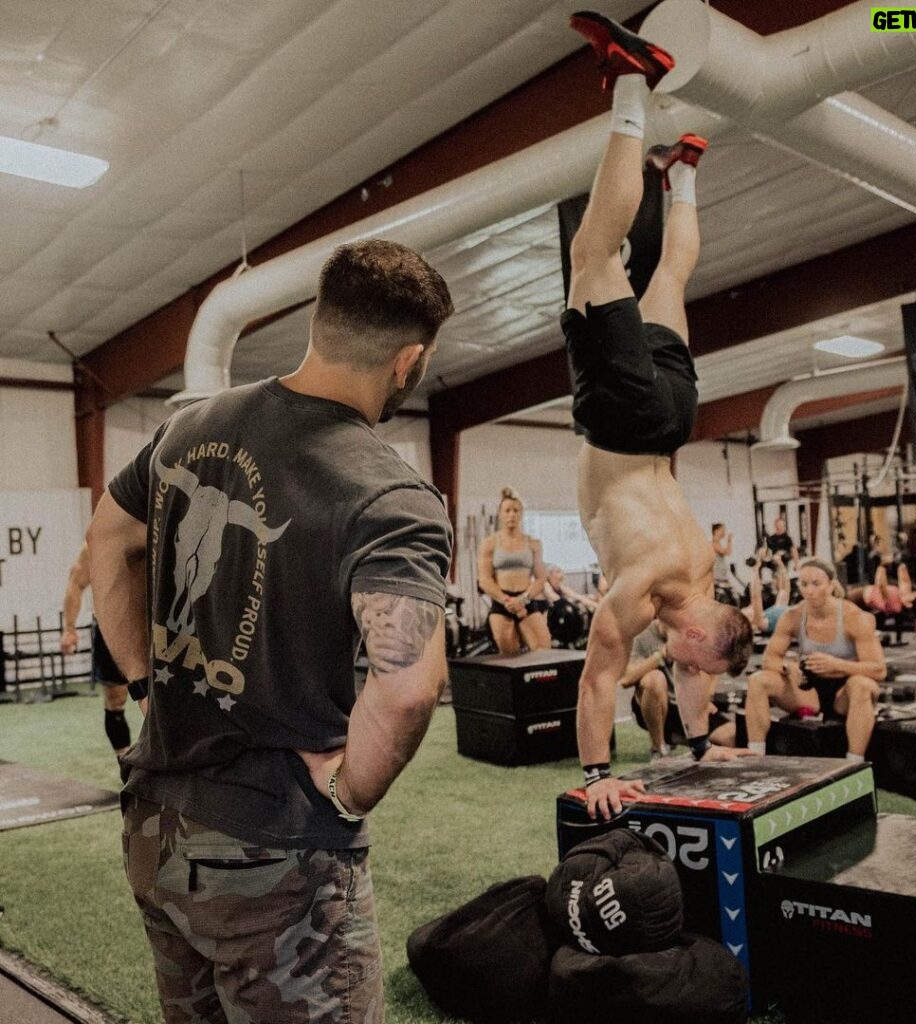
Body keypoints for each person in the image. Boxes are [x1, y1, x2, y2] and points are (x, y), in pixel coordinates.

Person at [86, 239, 454, 1024]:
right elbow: (410, 687)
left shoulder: (191, 426)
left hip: (157, 825)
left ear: (319, 322)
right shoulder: (390, 491)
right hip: (279, 854)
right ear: (409, 360)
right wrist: (347, 794)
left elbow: (108, 538)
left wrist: (150, 679)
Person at [563, 11, 754, 821]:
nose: (688, 673)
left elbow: (688, 680)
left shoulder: (710, 585)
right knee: (593, 259)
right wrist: (599, 770)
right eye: (697, 664)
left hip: (677, 418)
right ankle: (631, 85)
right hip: (627, 421)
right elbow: (599, 675)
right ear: (705, 636)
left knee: (669, 283)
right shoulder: (643, 590)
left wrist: (708, 747)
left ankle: (685, 172)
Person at [745, 558, 887, 762]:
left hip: (845, 693)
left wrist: (836, 664)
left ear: (831, 585)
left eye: (816, 584)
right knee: (758, 680)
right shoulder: (793, 616)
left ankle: (854, 763)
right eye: (804, 585)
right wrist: (787, 668)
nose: (809, 591)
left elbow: (879, 670)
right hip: (809, 691)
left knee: (863, 685)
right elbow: (770, 659)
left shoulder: (853, 617)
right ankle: (755, 758)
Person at [619, 621, 735, 761]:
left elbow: (712, 668)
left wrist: (706, 698)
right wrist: (660, 655)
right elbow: (626, 680)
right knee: (654, 679)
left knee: (731, 736)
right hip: (655, 704)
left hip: (685, 704)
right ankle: (659, 748)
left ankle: (677, 737)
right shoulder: (641, 636)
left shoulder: (690, 633)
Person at [60, 541, 134, 756]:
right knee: (115, 700)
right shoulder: (97, 542)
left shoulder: (157, 534)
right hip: (111, 627)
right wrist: (69, 629)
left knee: (160, 697)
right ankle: (125, 760)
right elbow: (76, 582)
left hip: (152, 624)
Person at [476, 487, 552, 654]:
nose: (511, 514)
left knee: (544, 653)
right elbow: (484, 580)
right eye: (507, 510)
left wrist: (523, 601)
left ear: (521, 514)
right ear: (500, 514)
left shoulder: (533, 543)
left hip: (527, 601)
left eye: (516, 511)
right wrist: (508, 601)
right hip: (502, 603)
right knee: (510, 659)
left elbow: (541, 578)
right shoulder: (489, 543)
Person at [847, 560, 916, 662]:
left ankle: (864, 656)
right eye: (914, 593)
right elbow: (905, 581)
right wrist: (901, 565)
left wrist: (882, 567)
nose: (912, 593)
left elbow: (881, 585)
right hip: (863, 595)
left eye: (912, 596)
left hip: (858, 599)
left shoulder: (895, 605)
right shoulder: (904, 595)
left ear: (909, 604)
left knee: (856, 626)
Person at [741, 549, 790, 636]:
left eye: (747, 609)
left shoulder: (769, 615)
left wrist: (780, 564)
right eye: (747, 612)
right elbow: (756, 596)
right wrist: (755, 569)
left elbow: (784, 591)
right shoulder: (761, 623)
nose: (749, 607)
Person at [711, 523, 735, 602]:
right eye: (722, 530)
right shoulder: (714, 543)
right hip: (718, 577)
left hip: (721, 576)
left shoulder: (717, 543)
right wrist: (729, 540)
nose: (724, 532)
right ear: (716, 531)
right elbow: (727, 552)